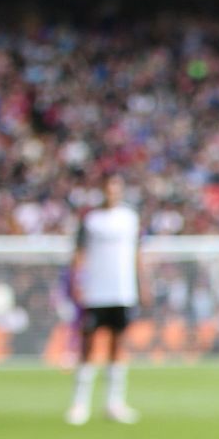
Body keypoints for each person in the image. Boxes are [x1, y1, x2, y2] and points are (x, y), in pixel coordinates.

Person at [66, 175, 140, 426]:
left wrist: (143, 282)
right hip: (96, 290)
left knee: (118, 346)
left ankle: (114, 403)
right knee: (88, 345)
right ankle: (80, 403)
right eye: (108, 188)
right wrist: (77, 282)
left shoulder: (130, 218)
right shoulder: (91, 220)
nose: (112, 193)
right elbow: (78, 253)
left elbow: (138, 252)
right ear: (102, 191)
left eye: (116, 188)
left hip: (123, 290)